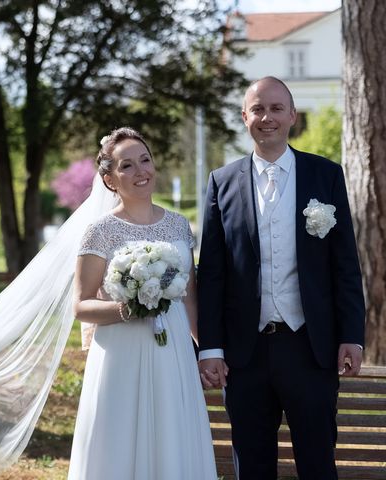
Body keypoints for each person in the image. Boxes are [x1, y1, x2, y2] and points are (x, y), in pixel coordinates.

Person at [197, 76, 365, 480]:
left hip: (311, 346)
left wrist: (352, 334)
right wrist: (211, 348)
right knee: (252, 466)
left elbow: (344, 264)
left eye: (275, 108)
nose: (266, 117)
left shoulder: (325, 175)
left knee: (318, 463)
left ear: (292, 115)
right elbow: (213, 273)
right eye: (257, 109)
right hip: (245, 353)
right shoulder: (222, 182)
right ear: (244, 118)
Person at [68, 127, 217, 479]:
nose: (141, 172)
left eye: (145, 160)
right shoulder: (100, 231)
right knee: (120, 443)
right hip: (121, 353)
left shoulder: (179, 226)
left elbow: (190, 299)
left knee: (172, 437)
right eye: (127, 166)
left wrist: (207, 351)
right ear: (109, 180)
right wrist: (128, 307)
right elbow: (81, 305)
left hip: (173, 353)